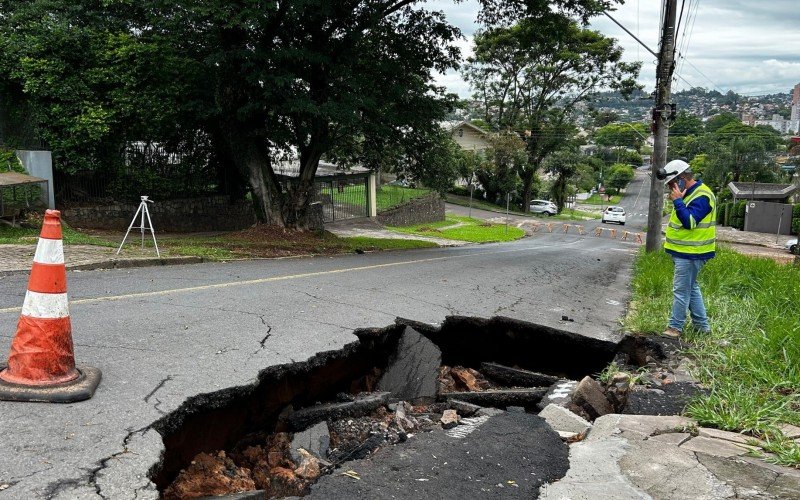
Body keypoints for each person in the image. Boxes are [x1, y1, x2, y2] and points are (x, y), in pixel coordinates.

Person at [659, 159, 716, 339]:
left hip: (692, 253)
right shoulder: (688, 194)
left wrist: (678, 202)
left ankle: (675, 327)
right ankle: (702, 326)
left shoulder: (702, 196)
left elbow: (690, 222)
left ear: (681, 179)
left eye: (670, 184)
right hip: (685, 252)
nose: (669, 188)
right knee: (691, 289)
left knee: (681, 290)